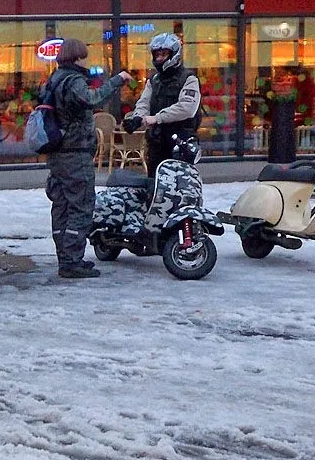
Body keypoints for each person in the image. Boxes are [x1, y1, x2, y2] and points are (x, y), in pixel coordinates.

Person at [43, 38, 131, 279]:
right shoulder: (73, 80)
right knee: (80, 206)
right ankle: (72, 261)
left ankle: (65, 258)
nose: (86, 60)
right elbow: (92, 99)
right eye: (84, 56)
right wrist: (117, 80)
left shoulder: (54, 78)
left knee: (61, 207)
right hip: (74, 154)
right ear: (77, 57)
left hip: (58, 154)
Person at [122, 33, 202, 177]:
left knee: (179, 183)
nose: (159, 58)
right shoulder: (154, 80)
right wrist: (137, 118)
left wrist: (157, 118)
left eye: (163, 54)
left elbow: (187, 108)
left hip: (180, 141)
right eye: (157, 55)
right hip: (157, 141)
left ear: (174, 54)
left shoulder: (188, 78)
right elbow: (144, 102)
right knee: (154, 182)